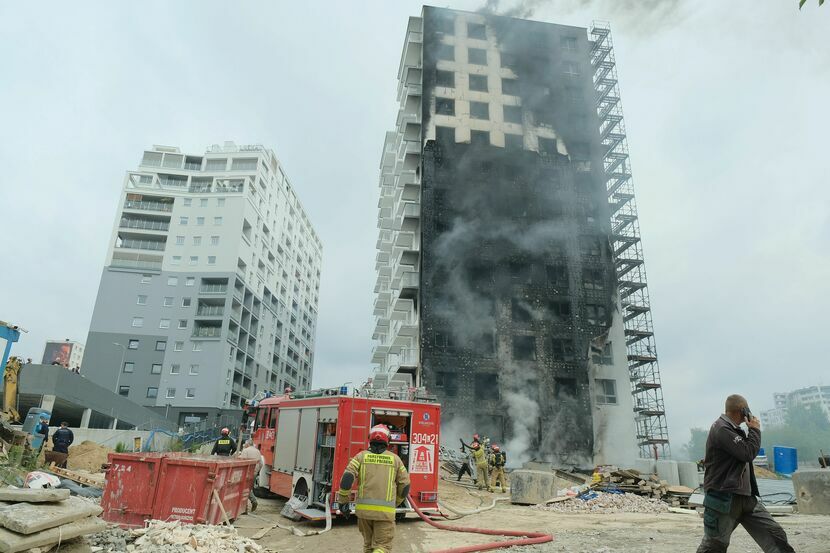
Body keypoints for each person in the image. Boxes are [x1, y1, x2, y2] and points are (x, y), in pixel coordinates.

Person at [696, 394, 795, 553]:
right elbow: (747, 453)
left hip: (746, 499)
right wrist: (755, 429)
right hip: (723, 500)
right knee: (714, 546)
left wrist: (750, 430)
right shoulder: (721, 428)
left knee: (776, 537)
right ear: (743, 410)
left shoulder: (734, 430)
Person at [337, 424, 410, 553]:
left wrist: (343, 501)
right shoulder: (396, 460)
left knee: (368, 545)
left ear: (370, 438)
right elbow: (405, 485)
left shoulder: (360, 457)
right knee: (383, 547)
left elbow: (347, 478)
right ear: (388, 440)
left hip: (364, 513)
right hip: (385, 513)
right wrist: (396, 502)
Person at [238, 439, 263, 512]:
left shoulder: (245, 451)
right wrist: (257, 471)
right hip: (254, 472)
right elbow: (261, 463)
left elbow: (242, 461)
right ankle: (245, 509)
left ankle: (252, 502)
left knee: (244, 489)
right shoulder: (257, 451)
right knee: (248, 488)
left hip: (247, 473)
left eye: (245, 444)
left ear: (247, 444)